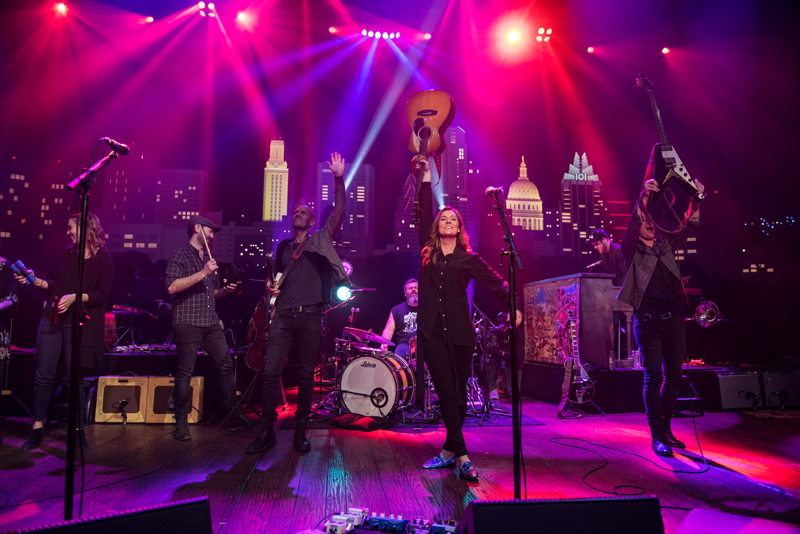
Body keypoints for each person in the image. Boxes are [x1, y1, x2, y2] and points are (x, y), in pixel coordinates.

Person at [415, 156, 521, 481]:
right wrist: (425, 177)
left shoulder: (469, 259)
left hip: (462, 333)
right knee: (446, 391)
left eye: (452, 219)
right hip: (431, 332)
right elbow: (421, 211)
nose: (447, 220)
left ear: (459, 228)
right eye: (442, 218)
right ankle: (462, 456)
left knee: (459, 394)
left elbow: (499, 284)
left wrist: (514, 306)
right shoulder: (427, 252)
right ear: (437, 227)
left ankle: (449, 449)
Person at [246, 152, 350, 455]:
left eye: (304, 211)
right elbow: (278, 279)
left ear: (313, 220)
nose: (298, 213)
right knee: (270, 373)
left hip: (310, 317)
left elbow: (340, 209)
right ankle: (266, 432)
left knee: (306, 375)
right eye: (295, 211)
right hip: (283, 318)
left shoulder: (321, 239)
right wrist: (271, 287)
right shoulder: (282, 248)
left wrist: (339, 178)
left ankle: (300, 432)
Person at [617, 165, 704, 457]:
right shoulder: (631, 249)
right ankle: (656, 435)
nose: (649, 223)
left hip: (674, 319)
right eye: (645, 221)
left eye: (651, 220)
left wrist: (697, 200)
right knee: (654, 376)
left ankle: (666, 429)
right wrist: (643, 197)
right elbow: (634, 221)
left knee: (675, 377)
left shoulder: (666, 245)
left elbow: (689, 225)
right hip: (649, 321)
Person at [15, 213, 113, 451]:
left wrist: (75, 298)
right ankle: (37, 428)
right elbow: (57, 287)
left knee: (74, 379)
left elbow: (102, 295)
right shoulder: (67, 253)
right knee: (44, 374)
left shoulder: (103, 259)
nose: (67, 232)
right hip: (52, 318)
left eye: (70, 228)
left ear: (84, 228)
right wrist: (36, 281)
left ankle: (78, 430)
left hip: (77, 322)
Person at [164, 215, 254, 441]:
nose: (213, 235)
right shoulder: (179, 255)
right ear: (197, 229)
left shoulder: (208, 258)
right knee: (185, 371)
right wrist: (203, 272)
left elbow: (213, 294)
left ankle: (234, 416)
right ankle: (181, 423)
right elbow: (172, 287)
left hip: (210, 321)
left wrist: (226, 290)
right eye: (210, 230)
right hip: (187, 321)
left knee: (226, 367)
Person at [380, 278, 418, 359]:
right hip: (405, 344)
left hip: (423, 343)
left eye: (416, 288)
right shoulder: (396, 310)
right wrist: (384, 343)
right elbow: (389, 330)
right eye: (410, 288)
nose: (413, 289)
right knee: (397, 361)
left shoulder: (427, 308)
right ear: (405, 293)